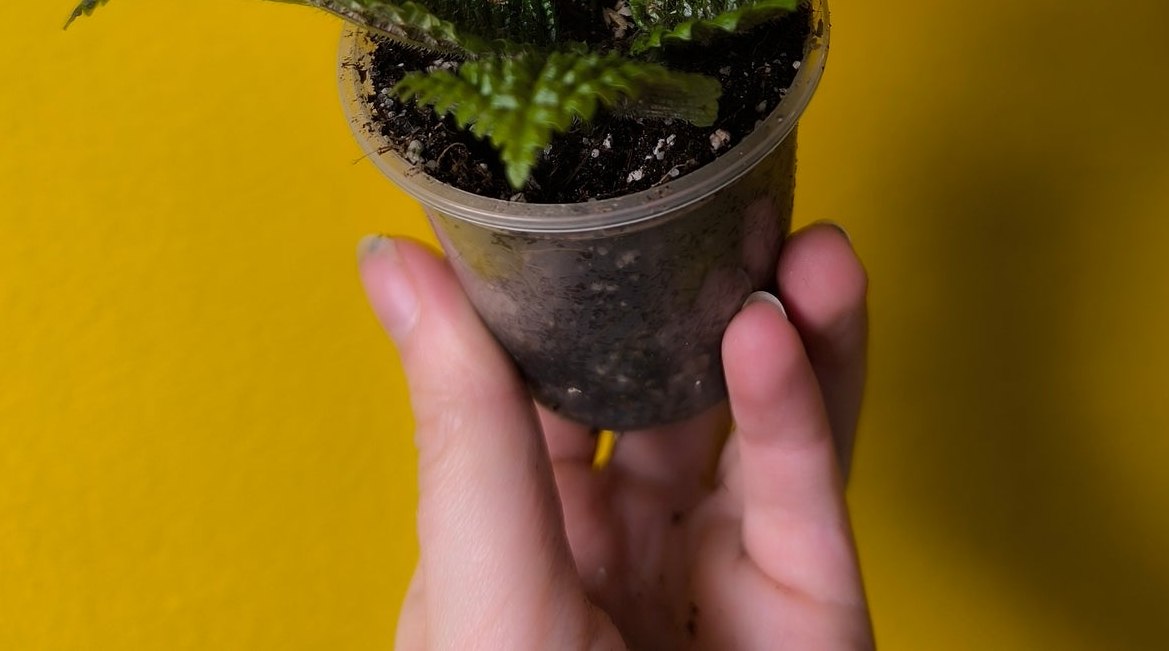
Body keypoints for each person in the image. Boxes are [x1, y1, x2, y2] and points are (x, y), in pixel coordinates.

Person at [358, 222, 876, 650]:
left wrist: (457, 389)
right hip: (673, 342)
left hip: (655, 344)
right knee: (776, 328)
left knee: (774, 331)